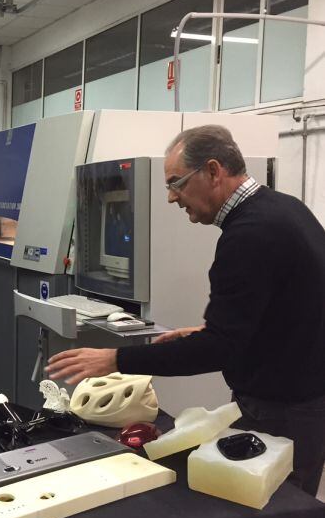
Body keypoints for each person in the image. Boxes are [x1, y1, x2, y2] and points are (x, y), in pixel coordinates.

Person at [46, 125, 325, 496]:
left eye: (176, 183)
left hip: (282, 411)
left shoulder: (249, 236)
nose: (171, 198)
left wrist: (115, 360)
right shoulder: (286, 209)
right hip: (305, 400)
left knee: (281, 512)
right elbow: (294, 311)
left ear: (213, 171)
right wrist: (204, 333)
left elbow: (218, 350)